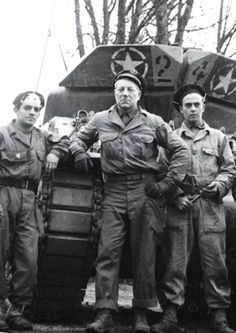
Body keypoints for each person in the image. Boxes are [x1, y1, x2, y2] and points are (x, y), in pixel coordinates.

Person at [69, 69, 189, 333]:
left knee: (144, 254)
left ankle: (142, 314)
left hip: (144, 192)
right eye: (120, 89)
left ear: (139, 94)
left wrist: (168, 183)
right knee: (107, 252)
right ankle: (104, 312)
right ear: (114, 92)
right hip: (112, 191)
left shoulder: (154, 122)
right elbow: (77, 137)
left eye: (130, 90)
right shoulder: (101, 119)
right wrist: (78, 151)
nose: (125, 93)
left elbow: (180, 150)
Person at [149, 84, 236, 333]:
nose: (193, 109)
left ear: (204, 106)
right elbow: (161, 171)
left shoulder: (218, 138)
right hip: (180, 208)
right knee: (175, 263)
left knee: (216, 263)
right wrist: (175, 196)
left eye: (197, 104)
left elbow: (229, 169)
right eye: (188, 105)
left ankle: (219, 317)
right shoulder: (171, 138)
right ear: (180, 109)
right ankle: (170, 315)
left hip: (211, 206)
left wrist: (218, 186)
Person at [0, 91, 70, 331]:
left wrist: (55, 151)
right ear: (16, 109)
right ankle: (1, 308)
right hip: (3, 195)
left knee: (28, 256)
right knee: (0, 252)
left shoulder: (42, 136)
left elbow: (65, 139)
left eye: (36, 109)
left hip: (30, 198)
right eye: (27, 107)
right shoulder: (2, 135)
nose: (32, 112)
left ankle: (17, 310)